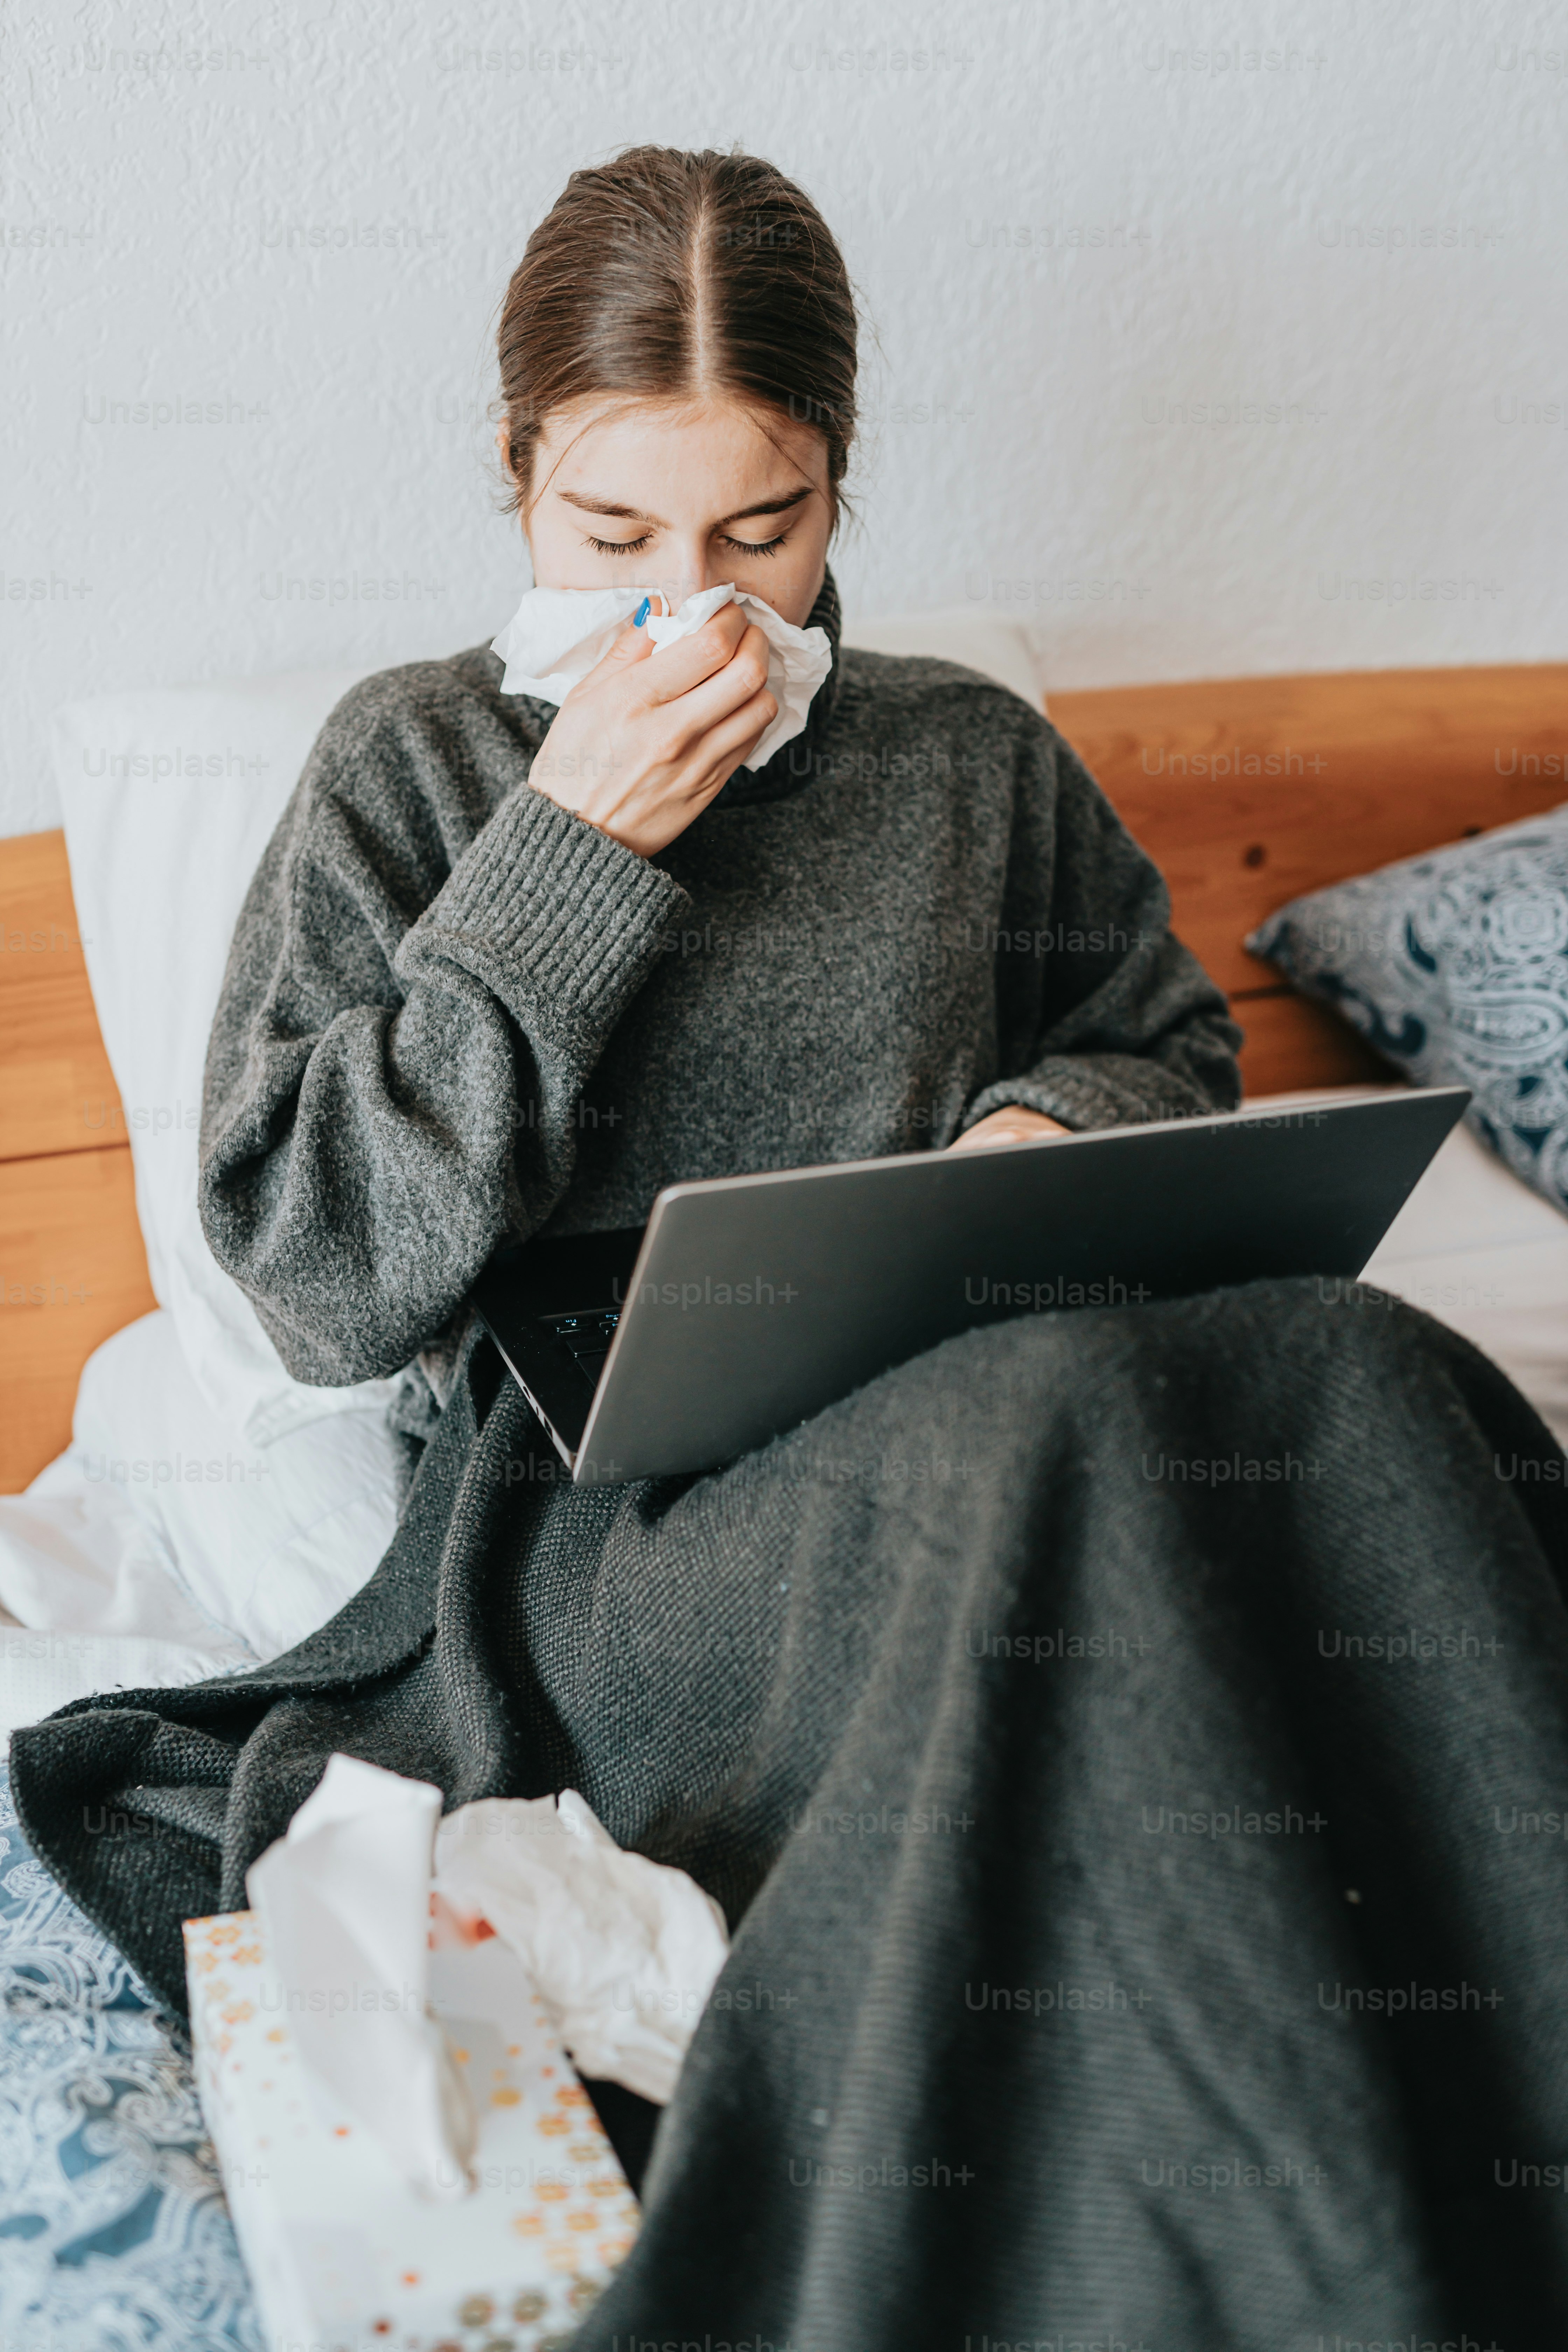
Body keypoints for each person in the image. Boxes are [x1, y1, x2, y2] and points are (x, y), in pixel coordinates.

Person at [14, 147, 1568, 2352]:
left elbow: (1157, 1036)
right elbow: (319, 1267)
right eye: (614, 535)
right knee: (1072, 1433)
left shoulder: (965, 756)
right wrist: (571, 850)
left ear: (838, 488)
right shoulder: (411, 768)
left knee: (1365, 1366)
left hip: (975, 1370)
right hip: (602, 1515)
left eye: (766, 533)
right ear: (514, 471)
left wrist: (1047, 1124)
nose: (695, 601)